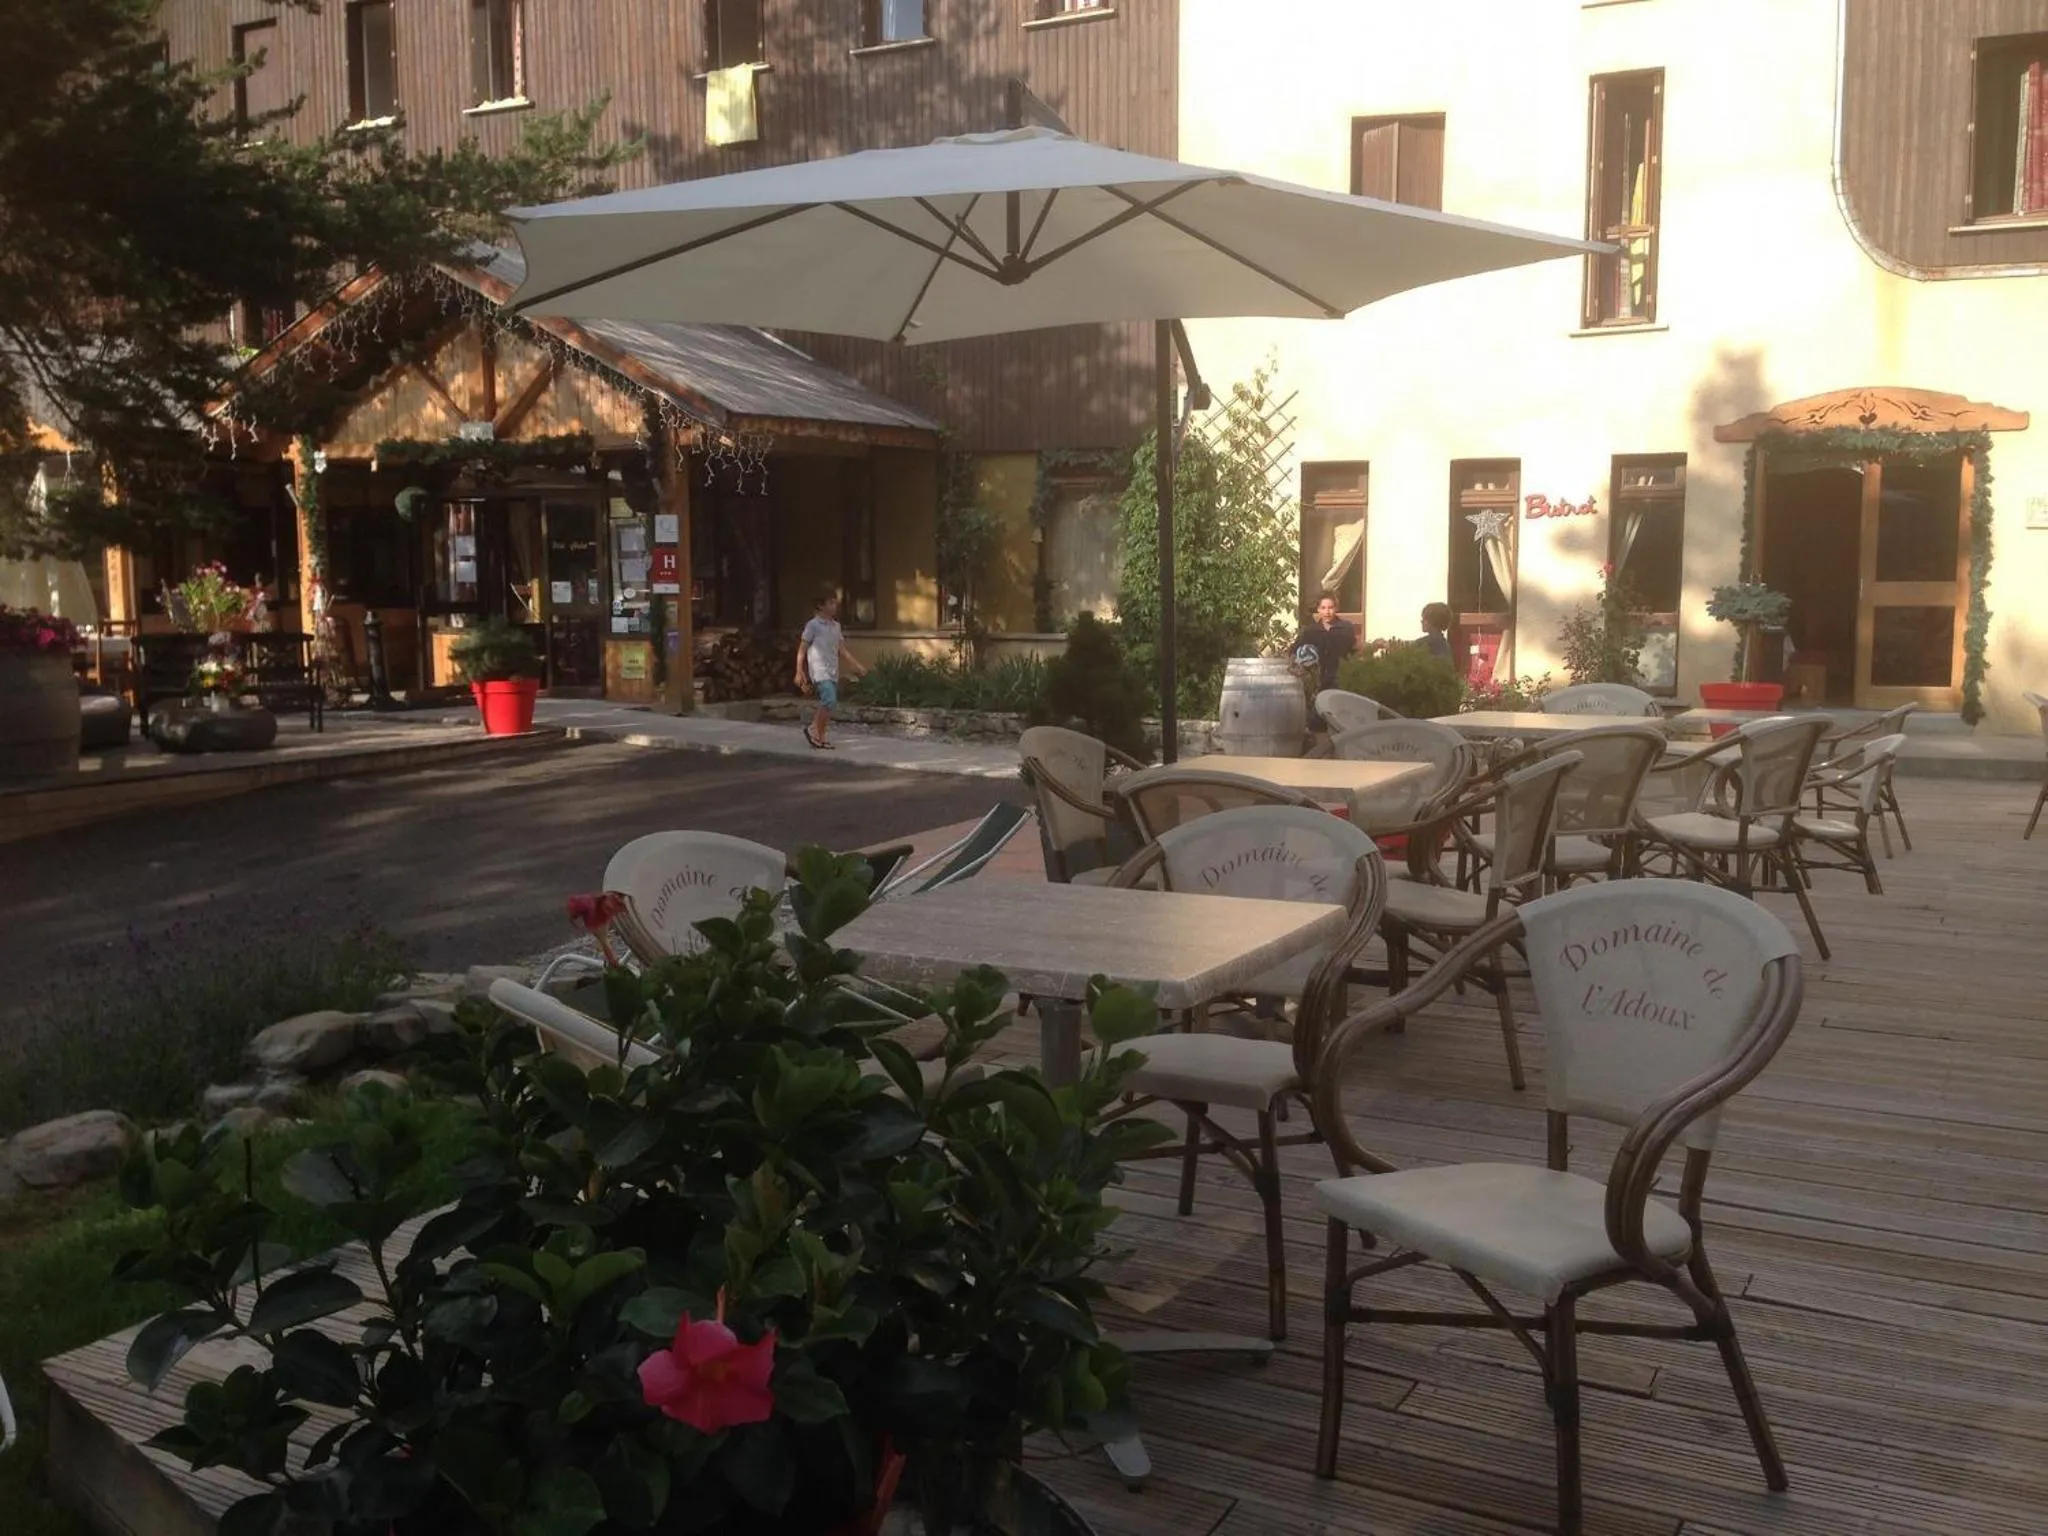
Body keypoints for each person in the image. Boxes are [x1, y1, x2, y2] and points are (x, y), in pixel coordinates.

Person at [795, 586, 866, 749]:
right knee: (829, 699)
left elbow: (841, 650)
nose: (835, 606)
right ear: (821, 606)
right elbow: (803, 648)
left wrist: (857, 665)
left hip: (832, 669)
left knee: (830, 704)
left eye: (835, 603)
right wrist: (799, 669)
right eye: (831, 603)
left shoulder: (836, 626)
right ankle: (813, 728)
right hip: (819, 669)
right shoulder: (813, 625)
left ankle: (820, 734)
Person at [1294, 591, 1358, 692]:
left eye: (1330, 608)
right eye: (1323, 608)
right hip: (1317, 683)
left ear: (1336, 608)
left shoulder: (1346, 628)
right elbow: (1295, 652)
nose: (1327, 612)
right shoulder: (1310, 631)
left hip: (1341, 680)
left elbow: (1354, 650)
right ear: (1318, 609)